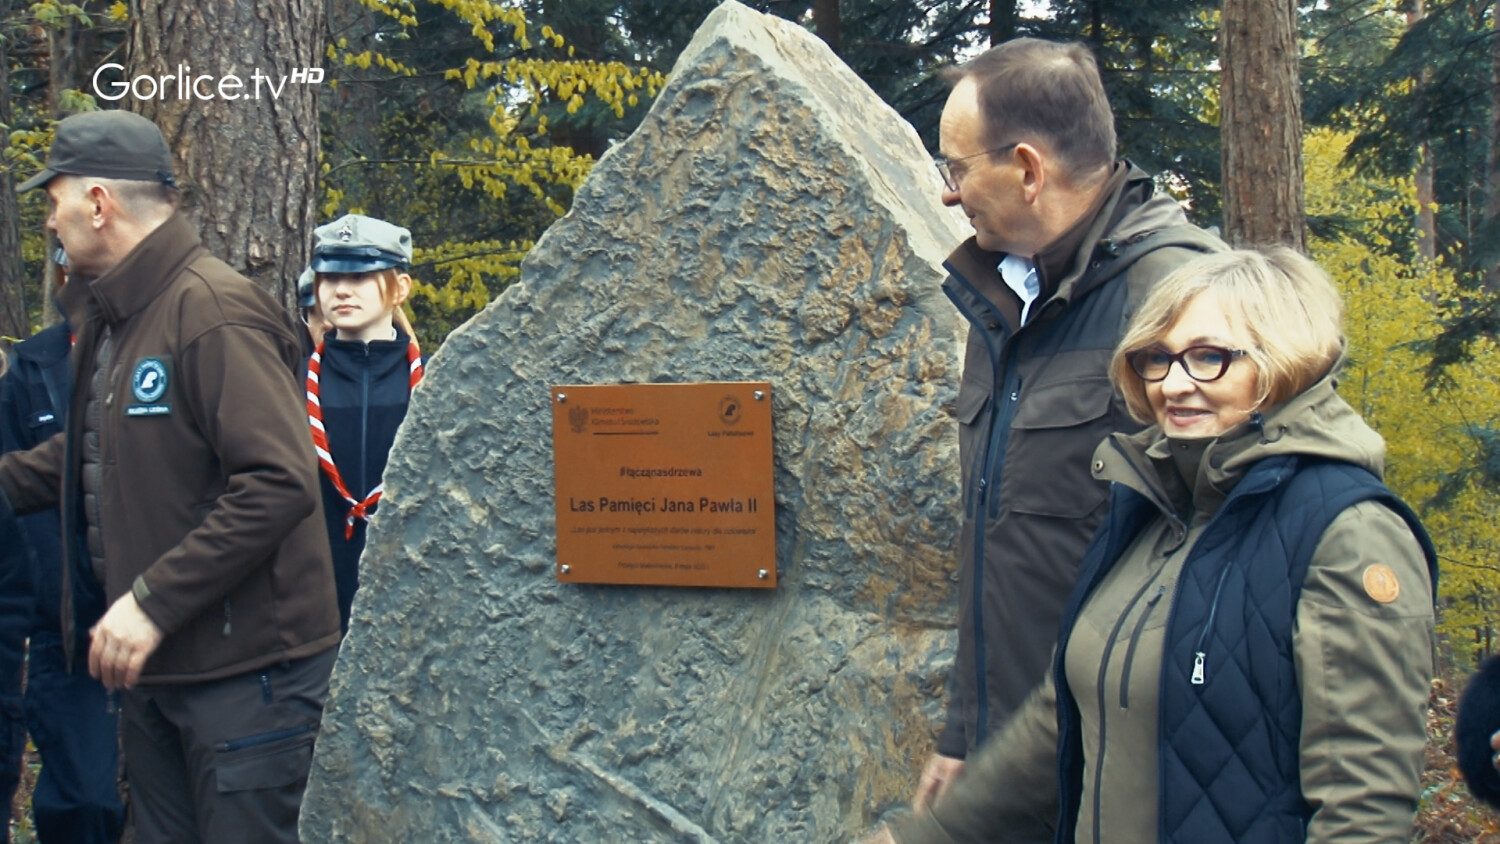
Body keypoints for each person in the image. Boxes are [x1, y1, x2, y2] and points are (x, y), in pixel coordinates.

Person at [865, 247, 1438, 844]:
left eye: (1209, 357)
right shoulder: (1151, 508)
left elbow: (1364, 811)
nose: (1175, 384)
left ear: (1282, 363)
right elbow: (1059, 721)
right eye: (1157, 359)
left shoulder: (1348, 532)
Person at [0, 109, 340, 844]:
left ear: (98, 202)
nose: (50, 223)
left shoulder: (210, 312)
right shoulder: (118, 318)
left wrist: (151, 603)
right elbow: (101, 450)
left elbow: (278, 481)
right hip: (162, 682)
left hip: (250, 686)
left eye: (53, 201)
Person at [915, 37, 1223, 817]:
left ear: (1026, 167)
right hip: (1015, 761)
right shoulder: (1005, 296)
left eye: (956, 168)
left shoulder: (1185, 299)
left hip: (1130, 771)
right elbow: (1001, 544)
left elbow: (1231, 576)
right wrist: (966, 732)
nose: (949, 195)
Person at [0, 250, 126, 844]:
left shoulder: (158, 356)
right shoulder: (31, 370)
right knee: (83, 803)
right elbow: (12, 502)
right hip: (65, 631)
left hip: (164, 616)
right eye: (72, 272)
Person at [302, 213, 423, 633]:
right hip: (311, 603)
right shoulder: (293, 382)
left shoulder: (436, 384)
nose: (341, 290)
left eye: (360, 277)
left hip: (412, 599)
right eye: (330, 278)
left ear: (400, 288)